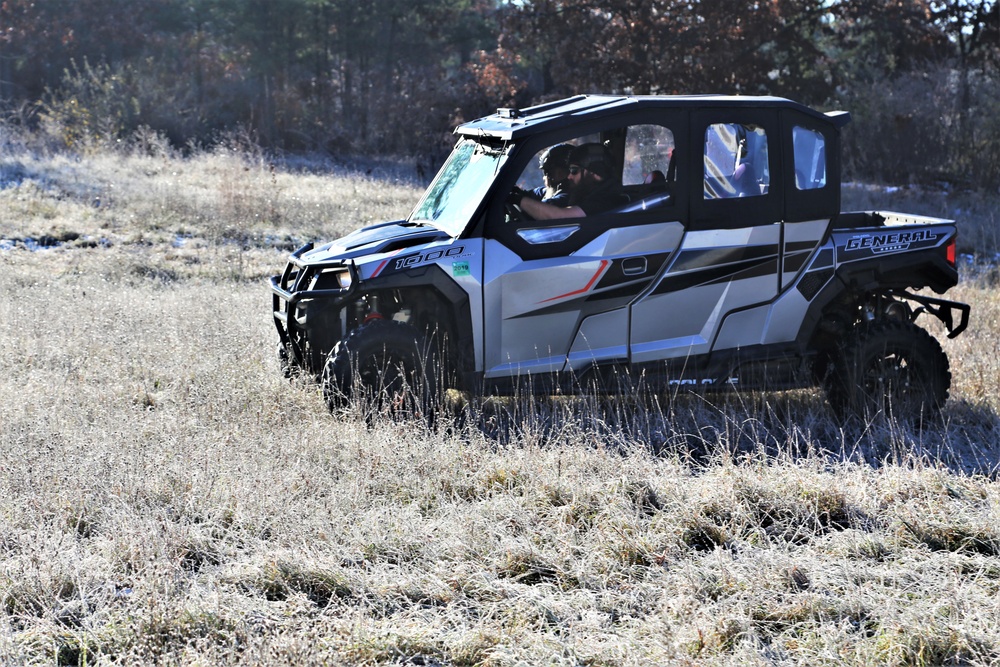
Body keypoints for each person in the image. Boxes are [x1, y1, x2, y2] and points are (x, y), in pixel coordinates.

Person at [510, 143, 622, 220]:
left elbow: (559, 216)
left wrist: (517, 199)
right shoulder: (588, 192)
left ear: (595, 172)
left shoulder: (605, 199)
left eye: (574, 171)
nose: (568, 176)